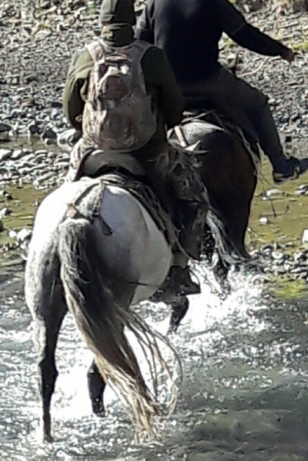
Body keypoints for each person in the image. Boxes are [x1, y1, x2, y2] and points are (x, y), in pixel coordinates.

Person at [62, 0, 208, 297]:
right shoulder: (150, 57)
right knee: (193, 197)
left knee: (67, 194)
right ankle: (179, 271)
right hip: (146, 153)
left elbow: (69, 110)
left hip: (92, 153)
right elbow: (175, 107)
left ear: (102, 21)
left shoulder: (85, 57)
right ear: (133, 21)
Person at [135, 0, 308, 183]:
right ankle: (282, 167)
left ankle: (136, 172)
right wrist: (280, 50)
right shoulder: (215, 3)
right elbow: (244, 35)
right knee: (258, 104)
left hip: (168, 86)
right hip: (208, 81)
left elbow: (139, 43)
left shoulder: (155, 4)